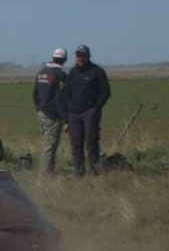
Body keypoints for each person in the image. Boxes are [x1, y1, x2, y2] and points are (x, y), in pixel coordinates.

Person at [64, 45, 111, 176]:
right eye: (77, 55)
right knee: (76, 144)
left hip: (89, 112)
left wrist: (96, 108)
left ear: (87, 56)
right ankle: (78, 172)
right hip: (74, 114)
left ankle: (95, 170)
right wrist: (67, 112)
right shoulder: (72, 73)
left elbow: (105, 92)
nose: (79, 58)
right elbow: (67, 93)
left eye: (82, 55)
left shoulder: (97, 71)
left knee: (91, 142)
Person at [33, 47, 68, 174]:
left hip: (41, 113)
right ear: (64, 60)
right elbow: (61, 99)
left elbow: (35, 94)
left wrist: (39, 108)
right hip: (53, 115)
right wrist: (65, 119)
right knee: (50, 146)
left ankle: (50, 173)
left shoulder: (41, 72)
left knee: (46, 144)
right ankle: (44, 176)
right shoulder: (60, 75)